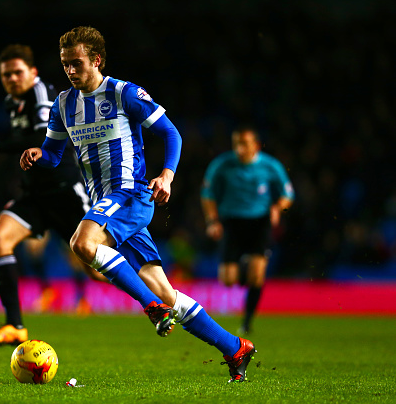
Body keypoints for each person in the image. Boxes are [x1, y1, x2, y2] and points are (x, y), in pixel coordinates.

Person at [20, 26, 256, 383]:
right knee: (166, 291)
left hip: (129, 193)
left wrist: (166, 175)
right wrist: (38, 154)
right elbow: (53, 155)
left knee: (82, 243)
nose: (69, 70)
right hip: (107, 204)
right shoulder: (63, 105)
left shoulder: (123, 93)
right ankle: (234, 346)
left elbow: (170, 133)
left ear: (96, 60)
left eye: (77, 63)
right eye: (65, 64)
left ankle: (151, 307)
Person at [0, 44, 105, 348]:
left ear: (33, 72)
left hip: (66, 192)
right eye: (6, 74)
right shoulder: (12, 103)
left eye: (18, 72)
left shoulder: (41, 93)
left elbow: (42, 136)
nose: (12, 78)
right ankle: (14, 325)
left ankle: (158, 296)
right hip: (36, 195)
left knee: (99, 272)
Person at [201, 127, 294, 334]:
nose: (239, 149)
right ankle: (244, 262)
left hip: (259, 223)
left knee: (257, 277)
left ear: (256, 146)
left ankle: (247, 321)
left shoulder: (271, 166)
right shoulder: (222, 165)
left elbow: (287, 195)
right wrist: (212, 221)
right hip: (231, 222)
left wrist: (278, 208)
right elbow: (207, 194)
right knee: (227, 279)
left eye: (244, 144)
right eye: (236, 144)